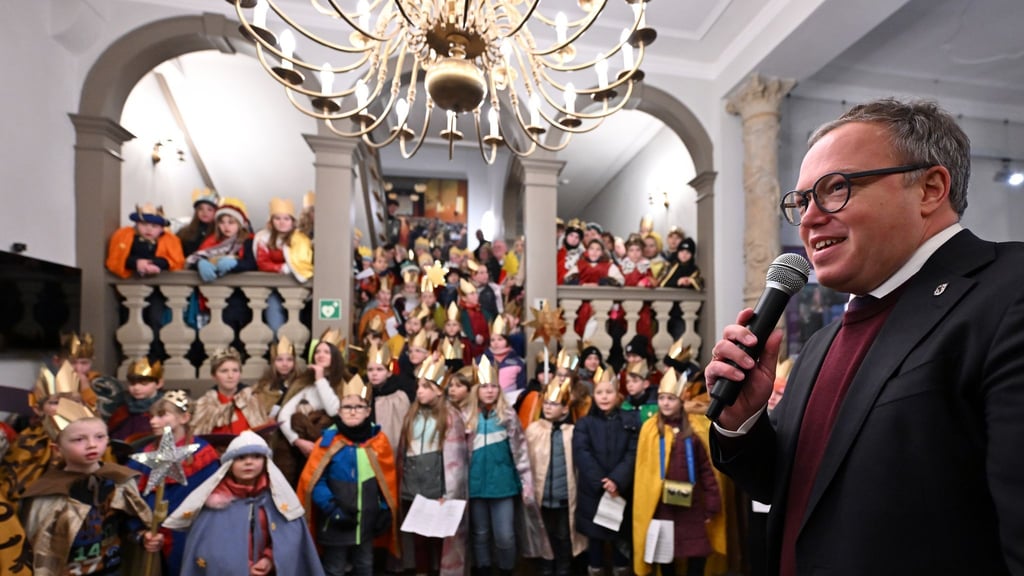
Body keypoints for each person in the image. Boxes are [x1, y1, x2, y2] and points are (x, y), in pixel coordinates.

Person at [706, 98, 1024, 575]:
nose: (809, 219)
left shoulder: (1007, 291)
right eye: (802, 201)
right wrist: (742, 421)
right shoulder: (820, 345)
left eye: (836, 189)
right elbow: (794, 490)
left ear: (930, 188)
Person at [21, 399, 161, 576]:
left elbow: (128, 525)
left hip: (112, 569)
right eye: (79, 439)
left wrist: (142, 537)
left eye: (99, 437)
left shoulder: (119, 480)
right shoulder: (46, 492)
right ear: (57, 449)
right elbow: (39, 548)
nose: (92, 445)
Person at [165, 430, 324, 576]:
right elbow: (209, 550)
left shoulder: (277, 498)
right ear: (229, 464)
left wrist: (269, 559)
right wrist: (243, 567)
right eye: (241, 458)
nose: (249, 462)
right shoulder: (214, 503)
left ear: (265, 461)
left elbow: (290, 537)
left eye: (256, 456)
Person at [297, 374, 400, 576]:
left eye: (359, 407)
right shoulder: (328, 442)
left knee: (365, 565)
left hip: (367, 522)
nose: (353, 412)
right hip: (335, 520)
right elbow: (315, 482)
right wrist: (331, 507)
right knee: (334, 567)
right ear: (338, 411)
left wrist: (385, 509)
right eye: (347, 407)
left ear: (368, 411)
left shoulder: (379, 441)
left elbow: (386, 483)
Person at [466, 356, 550, 575]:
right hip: (474, 486)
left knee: (505, 535)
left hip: (503, 485)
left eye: (494, 386)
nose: (489, 391)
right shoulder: (466, 416)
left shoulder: (508, 415)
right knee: (480, 533)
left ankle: (506, 569)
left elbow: (521, 452)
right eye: (484, 386)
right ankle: (483, 569)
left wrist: (526, 484)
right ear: (477, 389)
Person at [633, 369, 720, 576]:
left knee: (696, 555)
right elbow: (645, 472)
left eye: (670, 398)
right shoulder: (651, 429)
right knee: (666, 557)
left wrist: (712, 504)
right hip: (663, 506)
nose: (665, 403)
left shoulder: (694, 429)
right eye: (662, 398)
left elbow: (706, 470)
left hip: (692, 505)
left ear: (681, 401)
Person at [129, 389, 220, 576]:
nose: (153, 422)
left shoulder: (203, 455)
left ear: (184, 418)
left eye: (162, 415)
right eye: (152, 416)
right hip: (154, 543)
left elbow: (212, 501)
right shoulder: (142, 457)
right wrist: (140, 533)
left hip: (193, 539)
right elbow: (131, 504)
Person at [397, 354, 469, 576]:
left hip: (435, 487)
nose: (419, 391)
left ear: (439, 390)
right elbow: (403, 452)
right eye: (418, 386)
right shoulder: (412, 414)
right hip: (412, 485)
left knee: (437, 539)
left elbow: (455, 460)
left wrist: (448, 493)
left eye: (425, 386)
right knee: (417, 540)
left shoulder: (450, 416)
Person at [573, 370, 638, 576]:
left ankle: (621, 569)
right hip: (594, 491)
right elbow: (582, 453)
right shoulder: (585, 423)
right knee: (596, 541)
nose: (604, 396)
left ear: (617, 394)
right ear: (594, 396)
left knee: (621, 539)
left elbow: (633, 452)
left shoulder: (630, 421)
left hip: (620, 490)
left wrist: (617, 480)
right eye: (599, 392)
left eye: (608, 392)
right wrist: (602, 482)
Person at [525, 378, 588, 576]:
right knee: (544, 535)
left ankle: (563, 568)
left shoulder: (573, 432)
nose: (548, 408)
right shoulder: (534, 430)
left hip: (564, 497)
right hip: (541, 497)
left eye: (554, 404)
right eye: (546, 403)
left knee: (563, 536)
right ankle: (545, 568)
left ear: (565, 408)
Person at [276, 330, 345, 483]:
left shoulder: (343, 384)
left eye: (326, 352)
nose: (320, 355)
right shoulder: (304, 384)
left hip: (329, 447)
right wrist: (297, 441)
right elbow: (283, 415)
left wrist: (320, 379)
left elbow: (334, 411)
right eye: (317, 351)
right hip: (300, 448)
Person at [192, 347, 269, 435]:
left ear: (240, 374)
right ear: (214, 376)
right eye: (224, 371)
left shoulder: (252, 399)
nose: (230, 376)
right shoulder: (205, 404)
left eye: (235, 370)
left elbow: (263, 434)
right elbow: (197, 438)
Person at [105, 357, 165, 443]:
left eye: (144, 384)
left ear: (159, 383)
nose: (136, 388)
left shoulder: (164, 408)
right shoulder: (123, 408)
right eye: (132, 384)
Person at [175, 188, 220, 257]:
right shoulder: (184, 232)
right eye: (200, 209)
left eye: (209, 209)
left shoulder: (220, 233)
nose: (205, 212)